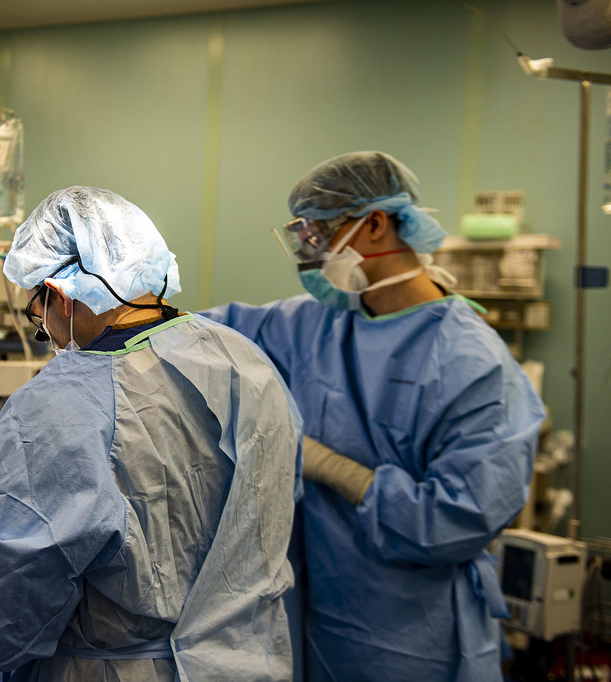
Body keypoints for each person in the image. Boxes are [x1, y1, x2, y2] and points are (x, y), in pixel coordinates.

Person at [0, 186, 302, 680]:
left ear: (60, 297)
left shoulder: (59, 403)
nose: (46, 333)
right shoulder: (243, 360)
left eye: (37, 315)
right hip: (243, 663)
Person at [203, 151, 546, 681]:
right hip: (317, 627)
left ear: (377, 224)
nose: (307, 253)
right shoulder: (315, 324)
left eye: (317, 234)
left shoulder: (473, 364)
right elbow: (199, 339)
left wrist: (333, 469)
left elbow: (457, 521)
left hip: (413, 641)